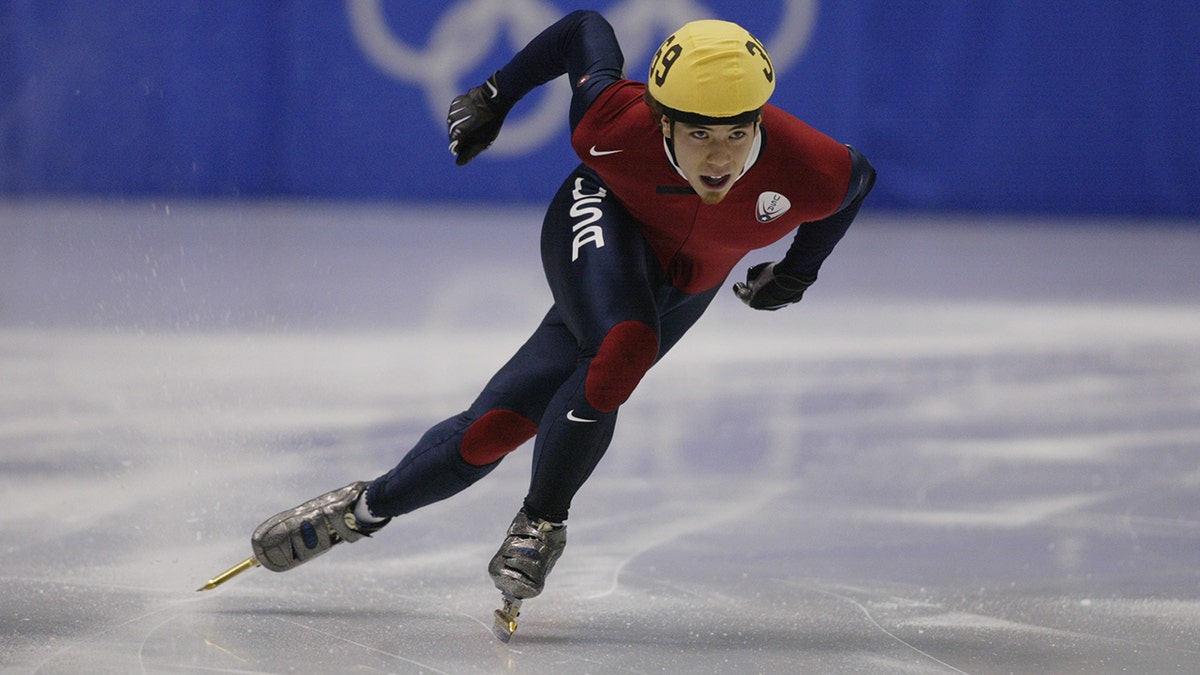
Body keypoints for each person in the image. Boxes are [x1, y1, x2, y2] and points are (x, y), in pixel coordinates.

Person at [248, 9, 875, 639]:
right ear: (662, 121)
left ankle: (359, 510)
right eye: (701, 135)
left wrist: (798, 272)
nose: (720, 158)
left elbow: (856, 184)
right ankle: (542, 523)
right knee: (626, 346)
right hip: (602, 217)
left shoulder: (812, 168)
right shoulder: (612, 123)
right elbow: (582, 29)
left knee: (491, 431)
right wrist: (494, 96)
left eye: (737, 135)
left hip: (684, 284)